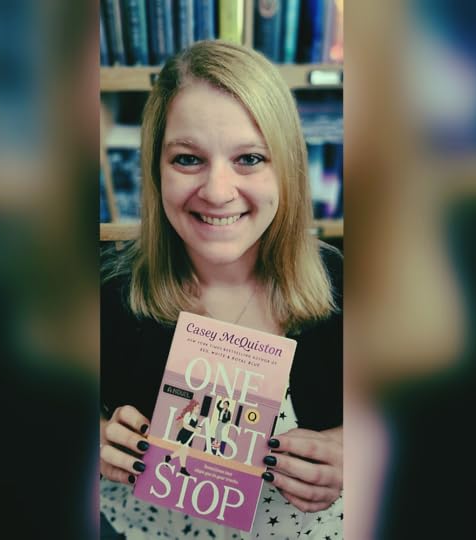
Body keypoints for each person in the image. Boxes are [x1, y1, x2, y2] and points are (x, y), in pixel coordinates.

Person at [100, 40, 343, 540]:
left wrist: (351, 449)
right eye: (187, 159)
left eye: (249, 158)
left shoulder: (343, 283)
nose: (216, 191)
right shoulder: (112, 293)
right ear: (155, 169)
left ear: (288, 168)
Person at [164, 400, 202, 476]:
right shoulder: (188, 414)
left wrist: (198, 429)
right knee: (184, 451)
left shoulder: (195, 416)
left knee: (184, 451)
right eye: (198, 407)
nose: (199, 409)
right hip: (184, 434)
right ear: (193, 407)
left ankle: (169, 457)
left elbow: (194, 427)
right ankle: (182, 468)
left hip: (190, 436)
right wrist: (195, 430)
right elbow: (185, 425)